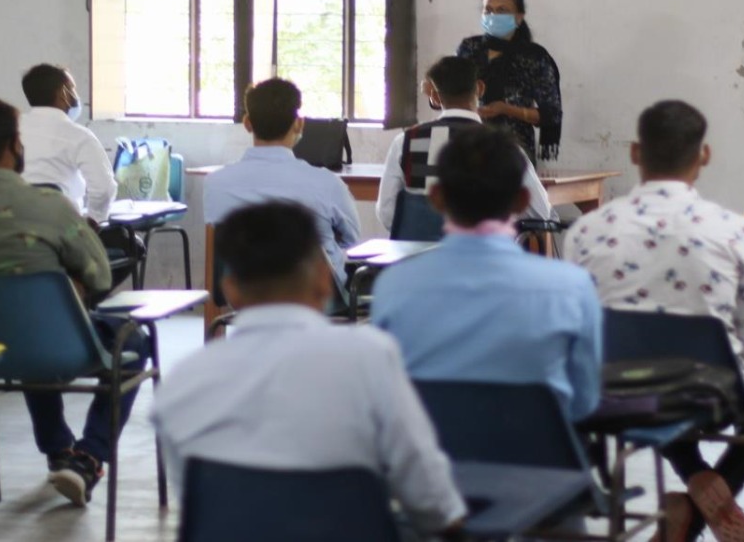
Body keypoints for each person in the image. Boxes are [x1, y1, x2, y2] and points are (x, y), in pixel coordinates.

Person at [151, 201, 466, 539]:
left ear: (230, 290)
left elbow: (207, 513)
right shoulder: (370, 360)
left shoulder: (180, 388)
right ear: (323, 279)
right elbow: (431, 500)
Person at [0, 95, 147, 508]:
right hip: (52, 343)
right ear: (15, 144)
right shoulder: (49, 206)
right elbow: (99, 274)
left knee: (23, 328)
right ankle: (89, 457)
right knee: (132, 340)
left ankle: (59, 449)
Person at [566, 100, 744, 542]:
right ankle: (700, 501)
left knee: (649, 371)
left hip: (612, 391)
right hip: (711, 396)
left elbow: (579, 322)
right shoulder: (739, 232)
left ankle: (693, 482)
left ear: (635, 152)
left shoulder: (586, 231)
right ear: (705, 155)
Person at [371, 125, 601, 421]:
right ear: (522, 199)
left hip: (438, 445)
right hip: (537, 446)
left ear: (436, 198)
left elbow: (391, 399)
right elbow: (584, 401)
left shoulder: (393, 288)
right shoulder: (573, 288)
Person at [203, 78, 361, 290]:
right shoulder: (327, 184)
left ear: (247, 123)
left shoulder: (215, 185)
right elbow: (352, 240)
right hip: (316, 296)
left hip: (246, 295)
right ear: (299, 123)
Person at [376, 56, 553, 231]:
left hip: (414, 247)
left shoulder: (405, 141)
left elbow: (386, 212)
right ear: (480, 88)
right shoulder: (502, 146)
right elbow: (540, 212)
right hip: (482, 248)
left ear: (435, 97)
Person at [0, 64, 116, 223]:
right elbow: (103, 189)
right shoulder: (79, 136)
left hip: (6, 227)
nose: (76, 96)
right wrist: (94, 221)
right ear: (62, 94)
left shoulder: (7, 128)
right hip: (62, 229)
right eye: (73, 89)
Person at [456, 0, 562, 163]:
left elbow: (551, 114)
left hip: (514, 151)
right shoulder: (468, 48)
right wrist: (435, 94)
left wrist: (507, 109)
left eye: (502, 10)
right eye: (488, 10)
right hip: (467, 145)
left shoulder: (534, 56)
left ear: (519, 17)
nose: (493, 16)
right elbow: (451, 92)